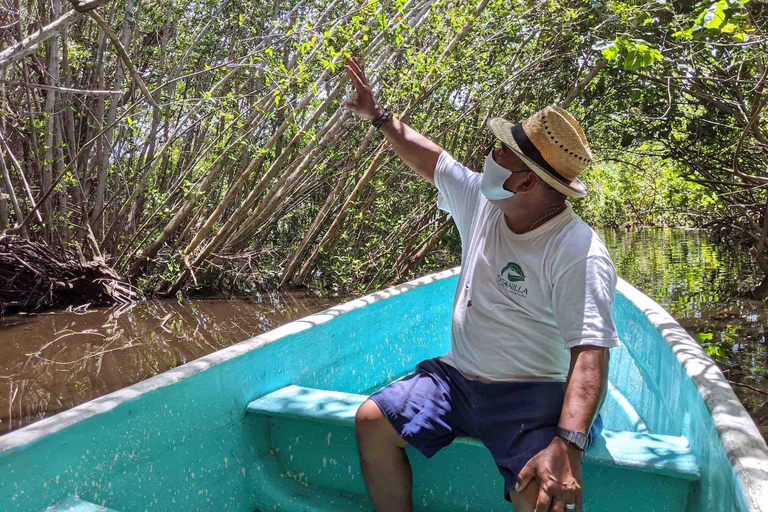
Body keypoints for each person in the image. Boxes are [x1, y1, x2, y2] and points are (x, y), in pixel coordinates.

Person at [343, 56, 619, 512]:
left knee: (542, 498)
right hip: (459, 378)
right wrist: (380, 118)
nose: (489, 158)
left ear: (525, 180)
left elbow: (590, 354)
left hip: (532, 393)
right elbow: (433, 160)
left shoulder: (577, 251)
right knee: (372, 421)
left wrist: (567, 445)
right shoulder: (486, 202)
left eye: (501, 154)